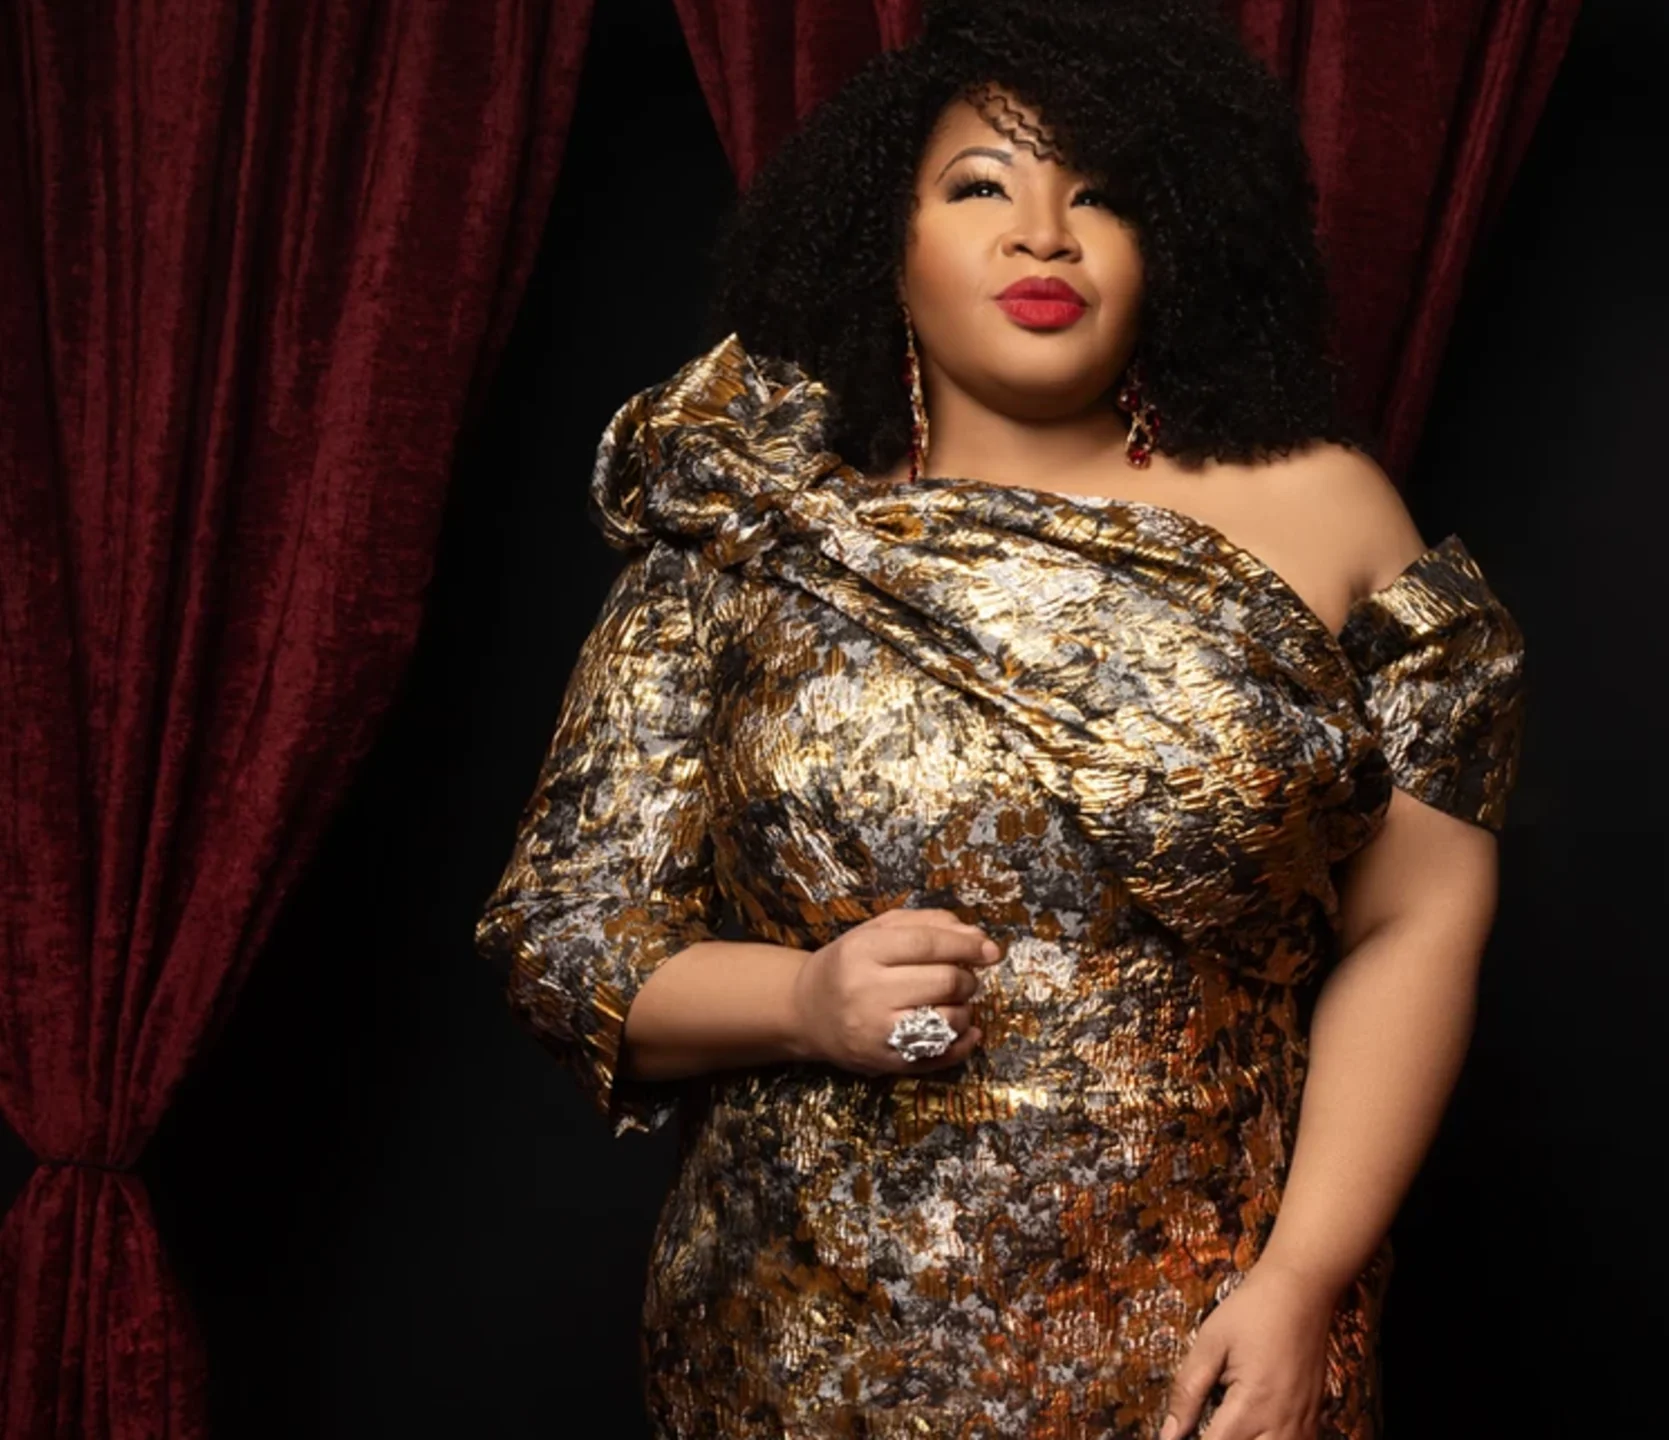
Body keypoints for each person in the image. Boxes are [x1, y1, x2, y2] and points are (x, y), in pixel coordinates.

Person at [474, 2, 1526, 1435]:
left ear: (1180, 242)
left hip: (1212, 1327)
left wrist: (1306, 1279)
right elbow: (563, 935)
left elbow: (1420, 917)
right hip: (808, 1340)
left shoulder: (1329, 515)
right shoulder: (754, 538)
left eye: (1101, 196)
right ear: (884, 241)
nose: (1044, 236)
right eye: (981, 187)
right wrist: (800, 1002)